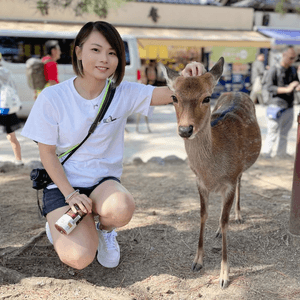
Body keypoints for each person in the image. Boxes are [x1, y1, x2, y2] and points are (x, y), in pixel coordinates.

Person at [21, 21, 204, 270]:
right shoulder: (52, 98)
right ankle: (62, 224)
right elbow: (47, 154)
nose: (104, 59)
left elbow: (171, 94)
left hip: (103, 184)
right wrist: (71, 194)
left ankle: (105, 230)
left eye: (112, 52)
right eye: (95, 50)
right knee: (79, 258)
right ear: (78, 52)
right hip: (63, 186)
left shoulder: (123, 92)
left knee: (121, 208)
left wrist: (189, 75)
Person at [261, 45, 300, 159]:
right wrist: (287, 89)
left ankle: (280, 154)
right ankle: (266, 154)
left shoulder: (292, 69)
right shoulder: (274, 69)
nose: (293, 60)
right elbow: (269, 87)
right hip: (276, 106)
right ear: (283, 55)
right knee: (272, 133)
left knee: (284, 134)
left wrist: (296, 86)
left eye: (294, 58)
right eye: (291, 58)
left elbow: (296, 82)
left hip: (289, 105)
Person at [0, 53, 24, 166]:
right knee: (12, 136)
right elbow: (15, 88)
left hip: (1, 108)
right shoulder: (7, 72)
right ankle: (19, 160)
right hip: (8, 108)